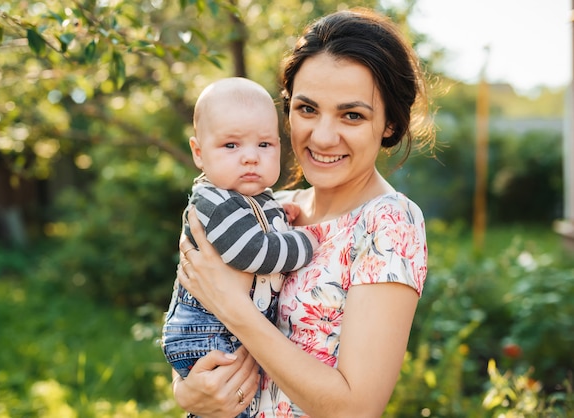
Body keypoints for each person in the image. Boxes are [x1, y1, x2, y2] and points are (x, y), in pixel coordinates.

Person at [173, 7, 435, 417]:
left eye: (352, 115)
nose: (323, 136)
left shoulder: (387, 224)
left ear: (388, 124)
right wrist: (186, 391)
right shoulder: (272, 210)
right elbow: (190, 312)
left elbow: (356, 409)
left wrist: (237, 311)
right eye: (307, 109)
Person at [161, 77, 319, 418]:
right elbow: (255, 253)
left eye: (264, 145)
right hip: (209, 335)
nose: (250, 157)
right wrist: (304, 240)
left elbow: (259, 222)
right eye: (231, 146)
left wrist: (280, 215)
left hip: (224, 332)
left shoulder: (252, 197)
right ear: (199, 153)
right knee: (232, 403)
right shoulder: (214, 201)